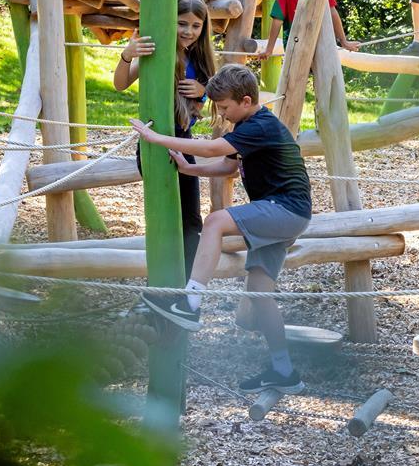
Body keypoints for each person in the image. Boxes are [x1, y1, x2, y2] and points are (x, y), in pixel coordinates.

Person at [130, 65, 313, 394]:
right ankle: (285, 371)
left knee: (215, 220)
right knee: (259, 292)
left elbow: (216, 149)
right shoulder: (249, 125)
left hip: (284, 209)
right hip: (285, 213)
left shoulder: (261, 125)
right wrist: (190, 168)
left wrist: (155, 138)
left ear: (245, 101)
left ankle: (191, 304)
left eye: (226, 108)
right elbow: (229, 165)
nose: (223, 115)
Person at [114, 0, 216, 278]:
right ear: (171, 21)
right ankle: (164, 285)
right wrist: (126, 55)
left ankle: (186, 286)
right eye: (182, 23)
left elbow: (223, 98)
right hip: (154, 143)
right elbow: (120, 83)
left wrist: (204, 91)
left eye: (196, 26)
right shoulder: (158, 50)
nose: (189, 31)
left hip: (184, 143)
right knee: (165, 218)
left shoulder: (199, 57)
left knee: (192, 220)